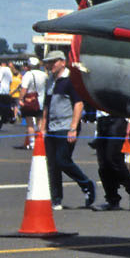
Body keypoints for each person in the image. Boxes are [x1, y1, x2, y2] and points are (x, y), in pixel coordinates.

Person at [42, 53, 95, 211]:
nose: (50, 65)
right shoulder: (50, 81)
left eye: (53, 62)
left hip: (66, 126)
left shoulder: (71, 80)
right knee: (52, 164)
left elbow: (78, 104)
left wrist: (73, 127)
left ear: (62, 62)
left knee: (63, 160)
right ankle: (56, 198)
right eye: (48, 62)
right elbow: (46, 105)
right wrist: (43, 127)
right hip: (51, 127)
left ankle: (86, 184)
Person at [92, 108, 130, 211]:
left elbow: (128, 98)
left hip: (118, 118)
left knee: (112, 158)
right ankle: (112, 199)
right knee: (103, 163)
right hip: (102, 119)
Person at [18, 57, 46, 150]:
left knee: (30, 123)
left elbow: (24, 89)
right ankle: (41, 141)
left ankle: (32, 142)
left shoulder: (28, 74)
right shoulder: (44, 74)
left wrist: (21, 99)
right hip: (41, 100)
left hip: (30, 101)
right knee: (40, 122)